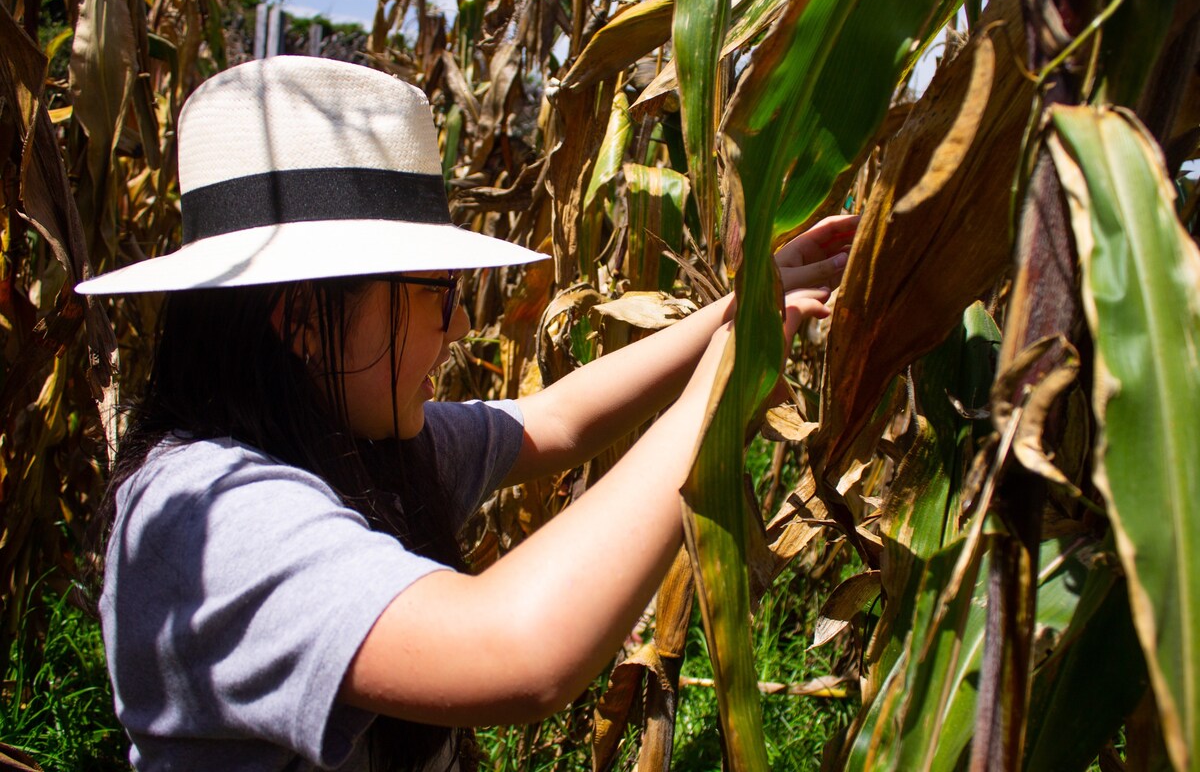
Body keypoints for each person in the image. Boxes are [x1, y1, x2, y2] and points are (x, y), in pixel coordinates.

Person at [77, 56, 853, 771]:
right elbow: (519, 653)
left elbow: (556, 421)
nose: (457, 328)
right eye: (438, 293)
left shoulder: (348, 442)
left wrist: (741, 307)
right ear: (303, 321)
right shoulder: (209, 518)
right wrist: (722, 386)